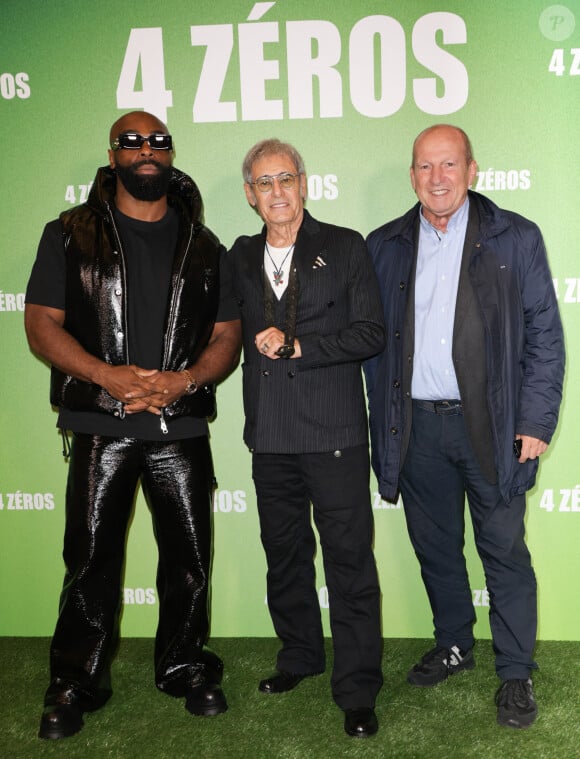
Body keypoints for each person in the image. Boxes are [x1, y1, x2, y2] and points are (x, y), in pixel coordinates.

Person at [25, 111, 241, 740]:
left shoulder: (205, 246)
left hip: (179, 426)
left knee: (190, 560)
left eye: (158, 142)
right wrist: (104, 375)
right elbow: (41, 323)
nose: (147, 151)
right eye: (133, 141)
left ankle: (184, 666)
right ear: (113, 152)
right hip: (100, 420)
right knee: (90, 560)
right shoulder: (69, 233)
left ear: (171, 154)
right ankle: (74, 681)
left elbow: (227, 334)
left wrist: (187, 380)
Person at [364, 124, 564, 729]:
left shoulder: (516, 236)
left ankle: (515, 673)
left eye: (449, 165)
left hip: (495, 428)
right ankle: (454, 642)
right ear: (412, 175)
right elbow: (367, 339)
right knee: (435, 547)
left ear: (472, 170)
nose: (438, 178)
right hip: (417, 426)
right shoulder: (386, 244)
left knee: (503, 550)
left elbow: (545, 338)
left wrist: (534, 420)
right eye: (426, 167)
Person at [226, 138, 385, 738]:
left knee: (348, 562)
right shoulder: (238, 257)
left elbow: (372, 331)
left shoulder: (344, 246)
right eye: (263, 183)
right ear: (250, 195)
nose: (277, 192)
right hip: (270, 436)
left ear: (304, 184)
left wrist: (302, 347)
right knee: (284, 556)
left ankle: (358, 688)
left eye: (285, 178)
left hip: (336, 435)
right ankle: (299, 656)